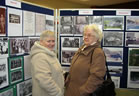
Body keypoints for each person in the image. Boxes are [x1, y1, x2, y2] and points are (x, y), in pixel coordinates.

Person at [64, 24, 106, 96]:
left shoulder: (97, 52)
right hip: (71, 90)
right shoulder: (82, 48)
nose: (85, 37)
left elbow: (97, 77)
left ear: (97, 37)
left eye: (89, 35)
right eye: (85, 34)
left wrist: (83, 91)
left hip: (81, 93)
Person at [30, 30, 65, 96]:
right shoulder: (40, 57)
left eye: (53, 41)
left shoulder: (49, 53)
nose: (52, 44)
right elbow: (45, 80)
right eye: (48, 41)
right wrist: (58, 93)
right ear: (41, 42)